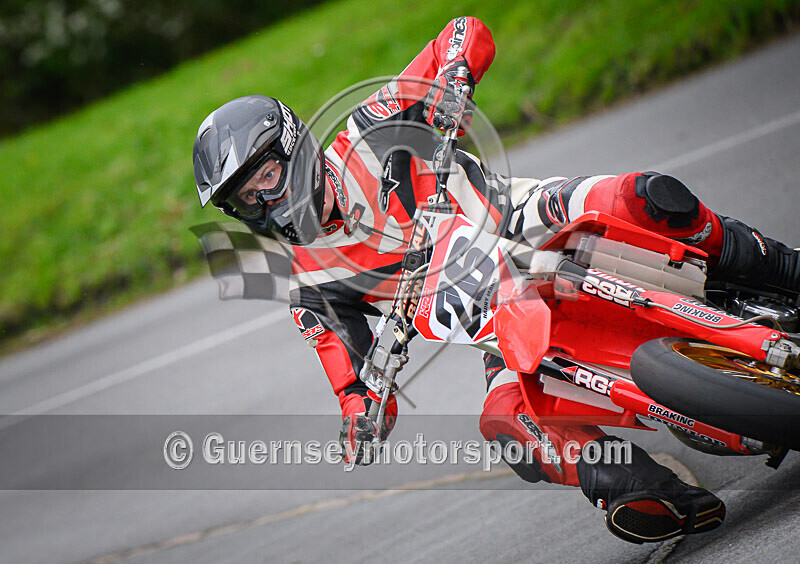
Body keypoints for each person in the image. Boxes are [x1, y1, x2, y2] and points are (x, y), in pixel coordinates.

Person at [192, 17, 799, 544]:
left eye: (265, 179)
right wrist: (360, 412)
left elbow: (463, 32)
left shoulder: (370, 127)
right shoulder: (311, 282)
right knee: (508, 423)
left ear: (292, 146)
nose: (264, 204)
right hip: (498, 316)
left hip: (529, 220)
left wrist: (455, 78)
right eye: (245, 201)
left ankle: (783, 267)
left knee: (647, 198)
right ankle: (642, 488)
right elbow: (347, 377)